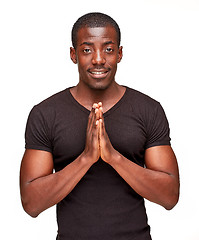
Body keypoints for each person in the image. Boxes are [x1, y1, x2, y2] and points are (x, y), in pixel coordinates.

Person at [20, 12, 180, 240]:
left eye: (108, 49)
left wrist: (114, 157)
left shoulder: (148, 110)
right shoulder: (45, 114)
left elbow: (170, 197)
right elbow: (31, 204)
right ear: (73, 55)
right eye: (87, 50)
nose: (98, 59)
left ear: (120, 53)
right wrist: (86, 158)